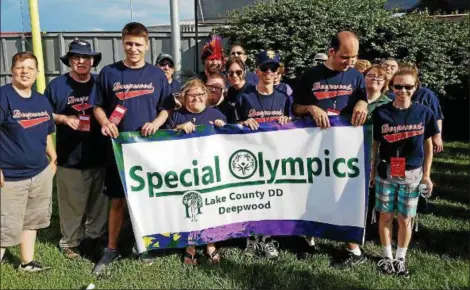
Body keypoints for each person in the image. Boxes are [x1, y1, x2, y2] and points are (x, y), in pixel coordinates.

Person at [89, 22, 174, 275]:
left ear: (147, 46)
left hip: (148, 149)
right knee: (117, 200)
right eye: (129, 43)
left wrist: (156, 123)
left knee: (147, 199)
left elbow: (167, 106)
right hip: (119, 148)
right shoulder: (109, 72)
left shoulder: (156, 75)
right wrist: (105, 122)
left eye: (138, 44)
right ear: (122, 43)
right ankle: (112, 248)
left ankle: (144, 243)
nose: (133, 48)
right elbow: (97, 105)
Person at [293, 31, 368, 264]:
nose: (350, 62)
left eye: (354, 57)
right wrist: (311, 109)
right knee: (312, 190)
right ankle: (309, 239)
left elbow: (362, 98)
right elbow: (295, 107)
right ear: (331, 52)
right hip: (314, 145)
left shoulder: (356, 77)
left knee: (345, 191)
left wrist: (363, 102)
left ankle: (352, 246)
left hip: (346, 147)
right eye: (345, 57)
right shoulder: (310, 75)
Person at [371, 66, 439, 278]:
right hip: (386, 171)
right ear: (391, 87)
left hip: (412, 173)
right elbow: (375, 144)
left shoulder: (424, 113)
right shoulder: (381, 113)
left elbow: (428, 146)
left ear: (415, 87)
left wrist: (427, 175)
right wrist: (372, 170)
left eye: (408, 86)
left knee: (405, 218)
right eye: (398, 86)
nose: (403, 91)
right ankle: (387, 257)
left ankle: (401, 257)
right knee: (385, 215)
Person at [44, 39, 108, 259]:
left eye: (85, 57)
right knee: (72, 203)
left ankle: (95, 237)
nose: (81, 61)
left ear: (92, 61)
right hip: (70, 156)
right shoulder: (57, 86)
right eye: (76, 58)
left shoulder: (100, 82)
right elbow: (44, 114)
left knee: (99, 202)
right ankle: (70, 242)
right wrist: (62, 118)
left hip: (100, 154)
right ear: (70, 61)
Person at [0, 51, 57, 272]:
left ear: (36, 73)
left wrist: (53, 158)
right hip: (10, 177)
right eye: (20, 67)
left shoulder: (41, 100)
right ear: (12, 70)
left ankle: (27, 262)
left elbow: (47, 132)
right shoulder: (4, 96)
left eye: (30, 68)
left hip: (40, 172)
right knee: (5, 228)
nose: (25, 71)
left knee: (32, 222)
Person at [236, 50, 291, 259]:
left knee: (270, 199)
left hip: (275, 157)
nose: (269, 72)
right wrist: (243, 123)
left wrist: (288, 121)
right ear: (257, 71)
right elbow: (232, 127)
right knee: (253, 198)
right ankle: (251, 239)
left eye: (273, 68)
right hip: (251, 156)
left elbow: (292, 125)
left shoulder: (283, 97)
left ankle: (268, 239)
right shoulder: (245, 96)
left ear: (279, 71)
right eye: (265, 68)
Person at [164, 79, 226, 264]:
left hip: (209, 171)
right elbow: (163, 141)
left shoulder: (215, 113)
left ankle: (210, 244)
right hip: (185, 171)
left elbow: (230, 141)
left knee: (210, 206)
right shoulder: (176, 115)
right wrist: (178, 129)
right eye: (192, 95)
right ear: (184, 97)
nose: (196, 98)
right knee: (189, 207)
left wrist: (222, 127)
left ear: (206, 96)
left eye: (200, 95)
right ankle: (190, 245)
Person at [362, 65, 392, 240]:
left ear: (385, 83)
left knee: (374, 193)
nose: (375, 79)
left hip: (378, 154)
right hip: (353, 152)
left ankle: (371, 229)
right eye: (370, 75)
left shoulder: (387, 105)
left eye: (380, 78)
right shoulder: (352, 102)